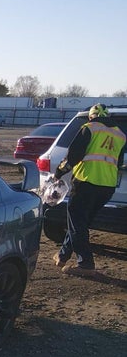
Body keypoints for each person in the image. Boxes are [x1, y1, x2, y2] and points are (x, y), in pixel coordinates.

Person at [53, 103, 126, 275]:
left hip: (86, 182)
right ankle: (62, 256)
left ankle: (85, 263)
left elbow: (73, 155)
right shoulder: (120, 135)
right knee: (81, 223)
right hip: (107, 186)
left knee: (77, 221)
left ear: (91, 116)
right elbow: (120, 161)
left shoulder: (89, 128)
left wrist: (59, 172)